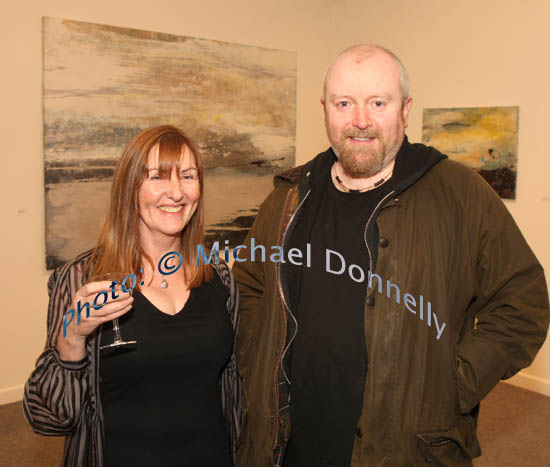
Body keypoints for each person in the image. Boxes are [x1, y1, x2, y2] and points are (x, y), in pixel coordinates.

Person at [232, 45, 550, 467]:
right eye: (344, 103)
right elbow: (251, 285)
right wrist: (258, 362)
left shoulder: (460, 193)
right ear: (325, 108)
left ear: (405, 109)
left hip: (404, 447)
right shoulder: (289, 196)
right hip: (288, 440)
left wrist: (453, 383)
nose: (360, 120)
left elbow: (522, 304)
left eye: (378, 103)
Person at [24, 125, 242, 466]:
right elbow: (49, 419)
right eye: (157, 177)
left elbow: (233, 391)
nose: (175, 192)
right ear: (130, 188)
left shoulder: (219, 277)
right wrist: (71, 338)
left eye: (187, 176)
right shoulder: (82, 277)